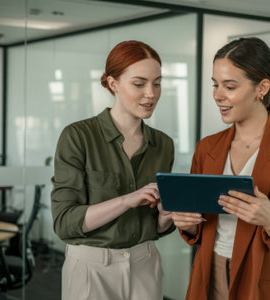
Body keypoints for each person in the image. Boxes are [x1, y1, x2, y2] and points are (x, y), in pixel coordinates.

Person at [172, 37, 270, 300]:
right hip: (212, 270)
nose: (218, 95)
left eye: (230, 86)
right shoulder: (207, 148)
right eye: (215, 84)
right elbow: (201, 226)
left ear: (262, 87)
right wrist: (188, 224)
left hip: (267, 275)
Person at [51, 40, 175, 300]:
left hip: (146, 264)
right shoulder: (78, 136)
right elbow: (65, 223)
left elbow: (158, 227)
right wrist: (127, 200)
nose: (151, 94)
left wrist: (167, 215)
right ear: (112, 83)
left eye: (157, 83)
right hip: (91, 269)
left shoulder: (163, 144)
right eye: (139, 84)